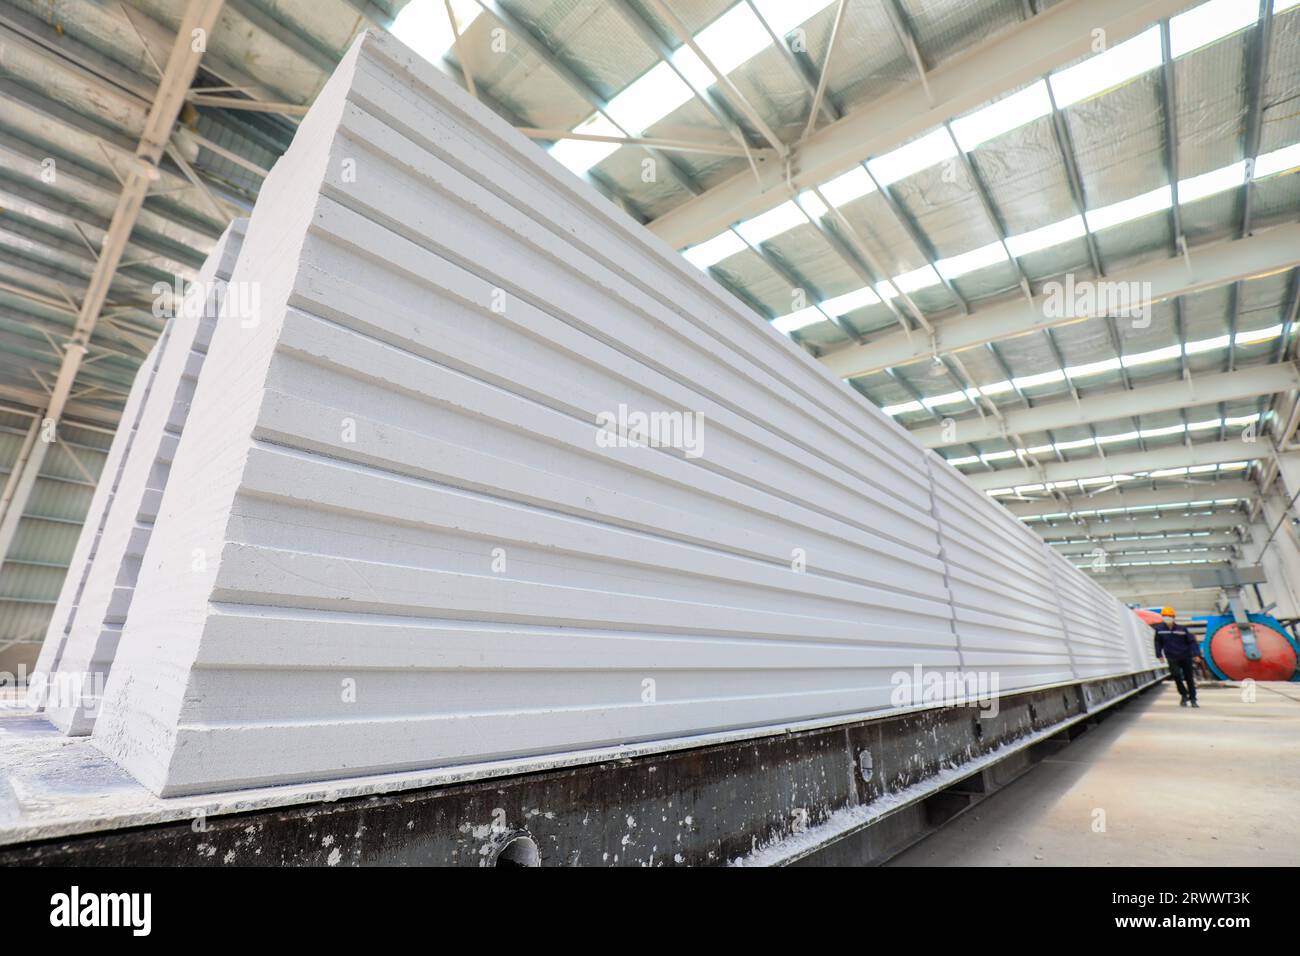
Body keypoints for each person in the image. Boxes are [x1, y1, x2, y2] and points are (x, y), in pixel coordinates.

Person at [1152, 606, 1200, 708]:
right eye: (1165, 616)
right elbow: (1157, 642)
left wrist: (1196, 654)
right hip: (1172, 657)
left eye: (1169, 616)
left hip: (1185, 656)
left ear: (1173, 617)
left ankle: (1193, 699)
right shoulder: (1159, 630)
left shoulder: (1182, 629)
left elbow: (1192, 642)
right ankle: (1184, 694)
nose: (1167, 618)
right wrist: (1159, 654)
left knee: (1189, 678)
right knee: (1176, 676)